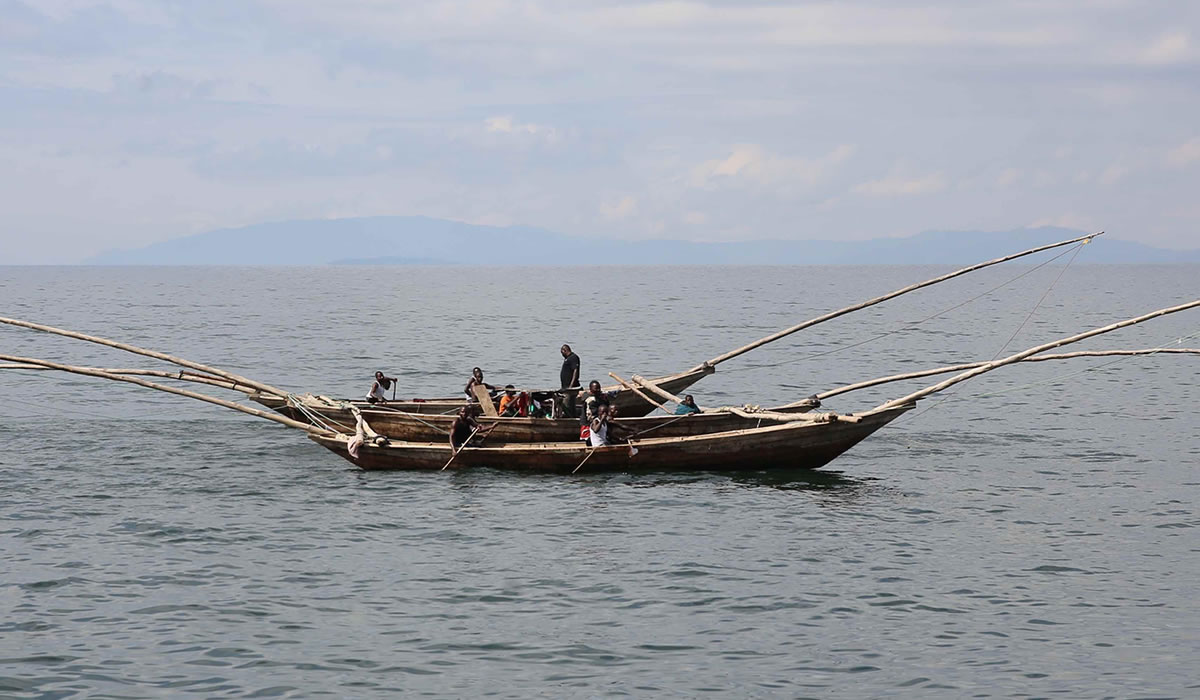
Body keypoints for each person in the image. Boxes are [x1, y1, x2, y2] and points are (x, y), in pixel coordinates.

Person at [559, 344, 580, 416]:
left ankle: (570, 418)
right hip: (565, 387)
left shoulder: (573, 357)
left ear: (564, 351)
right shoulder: (568, 358)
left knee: (566, 404)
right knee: (569, 404)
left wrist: (571, 385)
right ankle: (572, 416)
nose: (562, 355)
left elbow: (575, 371)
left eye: (562, 353)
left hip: (569, 387)